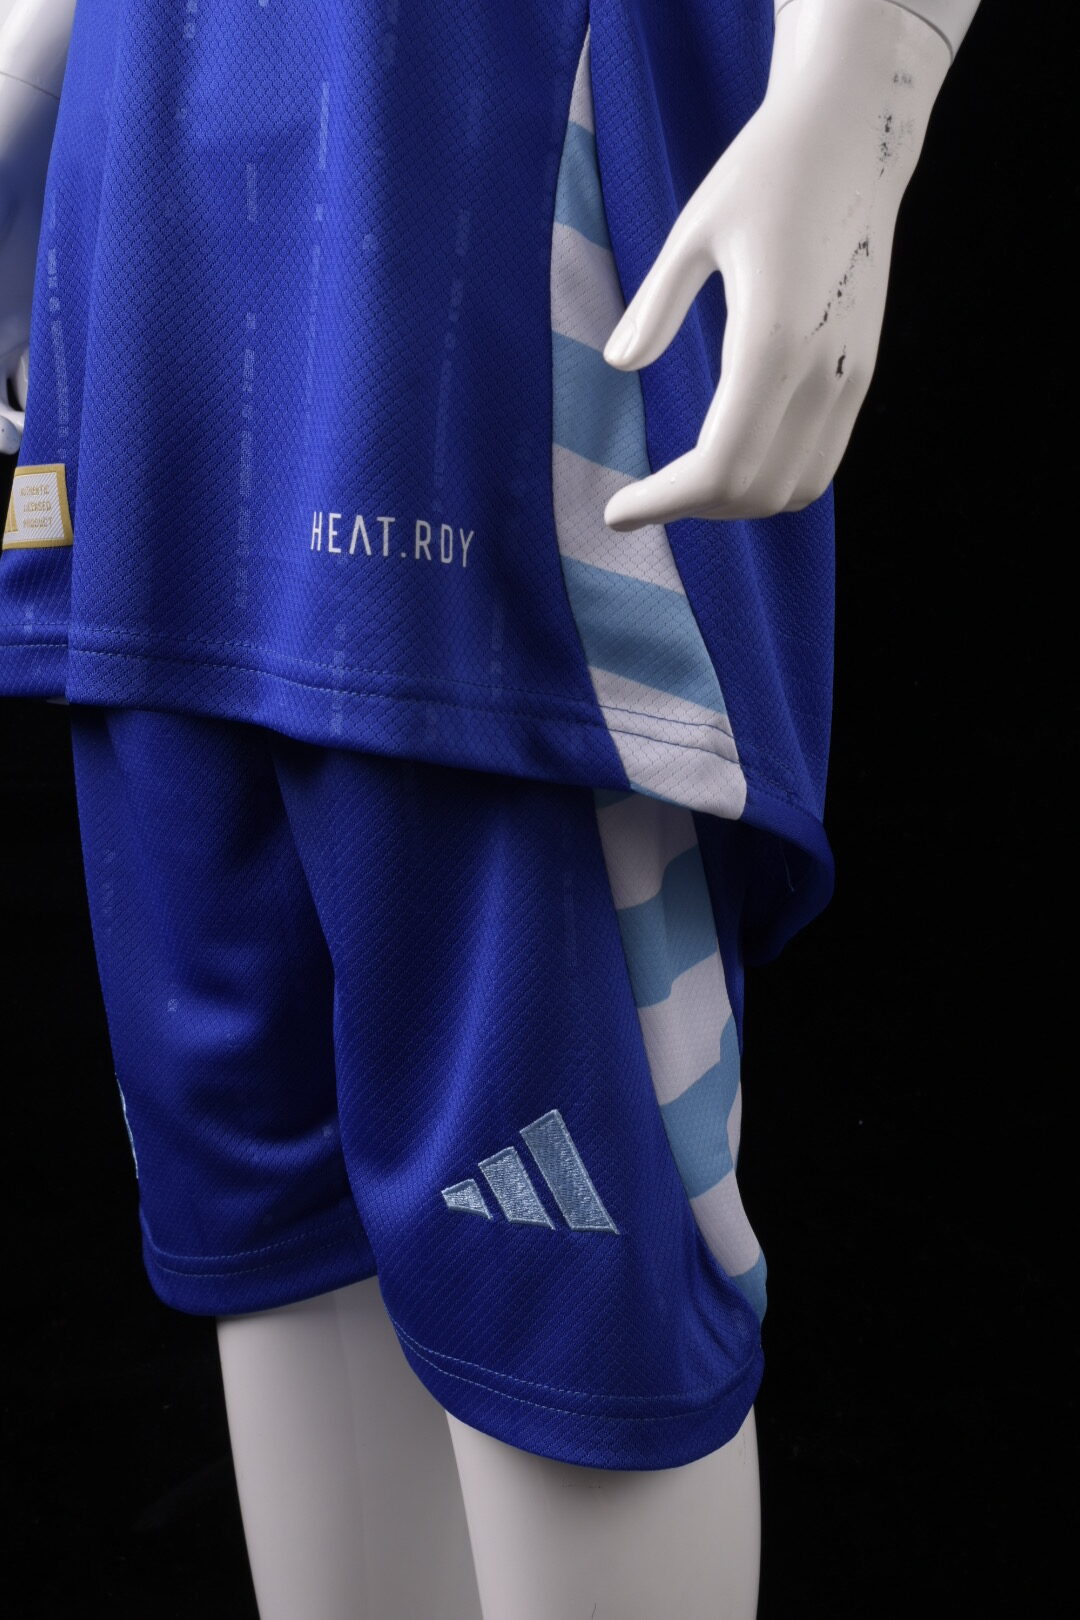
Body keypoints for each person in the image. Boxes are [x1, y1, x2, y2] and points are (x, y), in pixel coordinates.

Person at [0, 2, 979, 1615]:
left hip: (485, 255)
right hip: (144, 266)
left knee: (574, 1301)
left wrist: (865, 81)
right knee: (273, 1219)